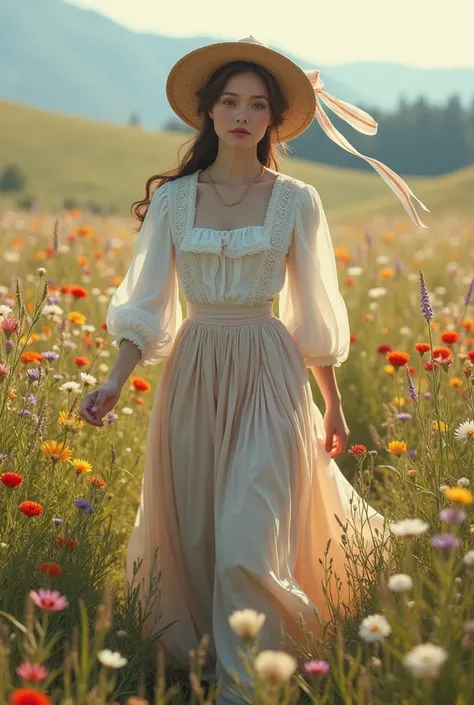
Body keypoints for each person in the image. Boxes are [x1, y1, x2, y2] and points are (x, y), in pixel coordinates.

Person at [80, 36, 429, 703]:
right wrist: (111, 380)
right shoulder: (176, 200)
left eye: (257, 105)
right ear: (208, 113)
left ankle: (247, 690)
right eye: (230, 102)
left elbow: (314, 311)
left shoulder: (297, 200)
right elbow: (148, 304)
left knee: (248, 534)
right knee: (205, 532)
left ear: (274, 119)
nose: (242, 114)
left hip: (271, 371)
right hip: (195, 369)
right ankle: (214, 664)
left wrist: (331, 402)